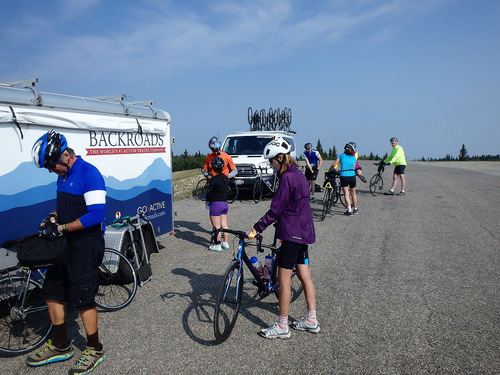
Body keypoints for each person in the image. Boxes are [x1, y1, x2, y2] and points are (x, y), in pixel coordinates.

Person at [28, 130, 107, 374]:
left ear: (65, 155)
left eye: (52, 166)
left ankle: (94, 349)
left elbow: (96, 215)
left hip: (87, 243)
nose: (51, 171)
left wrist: (61, 227)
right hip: (66, 243)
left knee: (83, 298)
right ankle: (62, 345)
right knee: (52, 291)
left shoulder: (89, 173)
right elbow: (68, 207)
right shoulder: (62, 176)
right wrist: (54, 216)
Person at [248, 137, 319, 339]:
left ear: (280, 157)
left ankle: (282, 326)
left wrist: (256, 228)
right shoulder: (299, 174)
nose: (271, 165)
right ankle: (311, 319)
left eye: (272, 161)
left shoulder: (287, 177)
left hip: (291, 235)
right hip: (304, 233)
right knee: (305, 276)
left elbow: (275, 210)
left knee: (283, 280)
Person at [206, 157, 230, 252]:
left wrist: (208, 201)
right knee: (224, 224)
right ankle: (225, 243)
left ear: (213, 167)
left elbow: (209, 192)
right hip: (225, 204)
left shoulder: (214, 179)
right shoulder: (226, 178)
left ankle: (217, 244)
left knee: (217, 227)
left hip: (216, 205)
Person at [328, 143, 358, 215]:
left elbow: (334, 164)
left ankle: (349, 210)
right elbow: (354, 166)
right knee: (353, 193)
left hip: (344, 175)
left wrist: (330, 170)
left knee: (346, 194)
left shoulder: (341, 155)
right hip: (352, 176)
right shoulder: (353, 157)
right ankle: (356, 209)